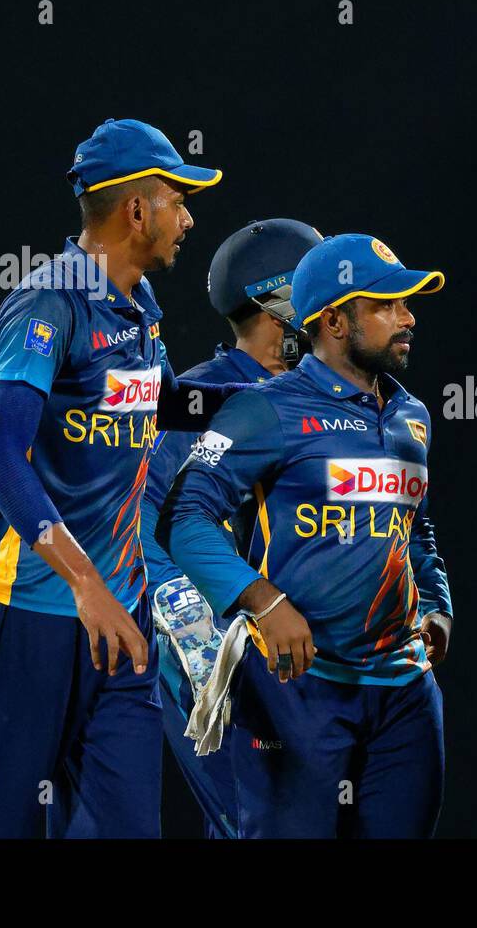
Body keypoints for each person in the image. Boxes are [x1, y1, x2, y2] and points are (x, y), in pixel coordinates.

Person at [0, 118, 250, 838]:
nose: (189, 217)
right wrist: (87, 587)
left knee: (124, 828)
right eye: (178, 199)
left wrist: (272, 399)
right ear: (135, 210)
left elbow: (168, 405)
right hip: (32, 609)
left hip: (122, 620)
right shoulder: (48, 305)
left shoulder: (138, 308)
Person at [158, 233, 453, 838]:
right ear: (336, 321)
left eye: (408, 303)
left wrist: (439, 606)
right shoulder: (264, 409)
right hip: (297, 692)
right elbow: (184, 518)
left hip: (405, 696)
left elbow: (414, 530)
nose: (408, 317)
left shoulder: (413, 416)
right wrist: (262, 600)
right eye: (388, 305)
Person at [140, 218, 322, 839]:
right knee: (259, 825)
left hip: (318, 653)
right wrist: (190, 617)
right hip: (228, 647)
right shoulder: (195, 399)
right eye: (324, 294)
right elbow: (145, 512)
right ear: (280, 306)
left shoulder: (333, 394)